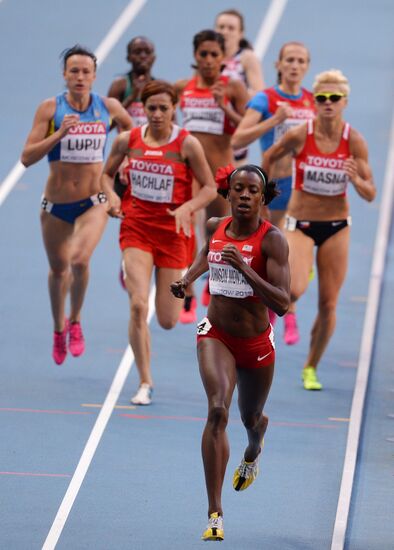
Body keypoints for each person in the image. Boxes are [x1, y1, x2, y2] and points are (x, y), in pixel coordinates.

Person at [171, 164, 290, 541]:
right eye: (236, 189)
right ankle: (215, 513)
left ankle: (255, 446)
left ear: (261, 197)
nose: (242, 195)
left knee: (250, 418)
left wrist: (246, 271)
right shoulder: (215, 227)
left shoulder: (272, 241)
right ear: (228, 193)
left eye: (251, 190)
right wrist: (188, 278)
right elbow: (208, 252)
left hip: (255, 342)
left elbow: (283, 302)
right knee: (218, 409)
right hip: (216, 334)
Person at [101, 80, 217, 405]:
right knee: (139, 305)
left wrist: (188, 207)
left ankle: (150, 279)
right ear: (144, 109)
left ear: (174, 109)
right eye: (151, 108)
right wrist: (111, 197)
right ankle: (144, 381)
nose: (156, 114)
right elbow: (106, 174)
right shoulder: (129, 140)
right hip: (137, 228)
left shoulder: (187, 144)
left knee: (166, 319)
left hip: (174, 235)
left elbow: (209, 187)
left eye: (163, 108)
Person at [264, 69, 376, 390]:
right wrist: (265, 197)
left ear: (344, 102)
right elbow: (271, 156)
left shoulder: (354, 141)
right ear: (315, 101)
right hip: (300, 222)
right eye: (322, 98)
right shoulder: (302, 134)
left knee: (328, 305)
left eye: (334, 98)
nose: (328, 103)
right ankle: (303, 269)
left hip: (337, 226)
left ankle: (311, 366)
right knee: (293, 291)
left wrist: (355, 180)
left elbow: (371, 194)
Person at [21, 45, 132, 365]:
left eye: (86, 71)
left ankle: (76, 321)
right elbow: (27, 158)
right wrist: (59, 134)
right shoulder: (50, 109)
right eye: (74, 71)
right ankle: (59, 329)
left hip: (93, 201)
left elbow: (132, 130)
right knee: (59, 270)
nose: (80, 77)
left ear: (95, 76)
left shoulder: (107, 106)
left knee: (80, 260)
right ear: (65, 75)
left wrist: (124, 160)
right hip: (55, 205)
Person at [232, 41, 315, 345]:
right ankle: (268, 314)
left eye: (301, 60)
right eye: (289, 60)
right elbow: (239, 137)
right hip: (271, 187)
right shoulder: (265, 99)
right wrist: (275, 120)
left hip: (301, 189)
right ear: (278, 65)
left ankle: (289, 311)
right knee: (268, 257)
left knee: (287, 254)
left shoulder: (313, 101)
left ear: (307, 66)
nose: (294, 65)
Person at [176, 29, 249, 310]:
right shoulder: (183, 87)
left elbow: (246, 129)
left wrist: (224, 106)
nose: (208, 59)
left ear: (223, 58)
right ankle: (188, 288)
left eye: (213, 54)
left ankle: (212, 281)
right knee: (187, 227)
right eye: (203, 54)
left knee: (217, 230)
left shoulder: (233, 88)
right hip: (190, 172)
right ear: (195, 55)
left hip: (220, 172)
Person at [107, 36, 156, 289]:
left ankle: (150, 257)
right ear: (128, 57)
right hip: (126, 164)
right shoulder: (119, 86)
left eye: (147, 51)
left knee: (154, 213)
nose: (142, 56)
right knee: (130, 217)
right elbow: (106, 125)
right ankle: (128, 260)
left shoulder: (159, 87)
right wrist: (132, 98)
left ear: (154, 57)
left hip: (155, 164)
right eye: (137, 52)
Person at [215, 8, 265, 164]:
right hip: (211, 133)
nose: (225, 32)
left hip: (233, 137)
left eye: (231, 28)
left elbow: (260, 94)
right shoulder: (208, 57)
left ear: (240, 33)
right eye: (221, 27)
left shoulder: (246, 58)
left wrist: (235, 93)